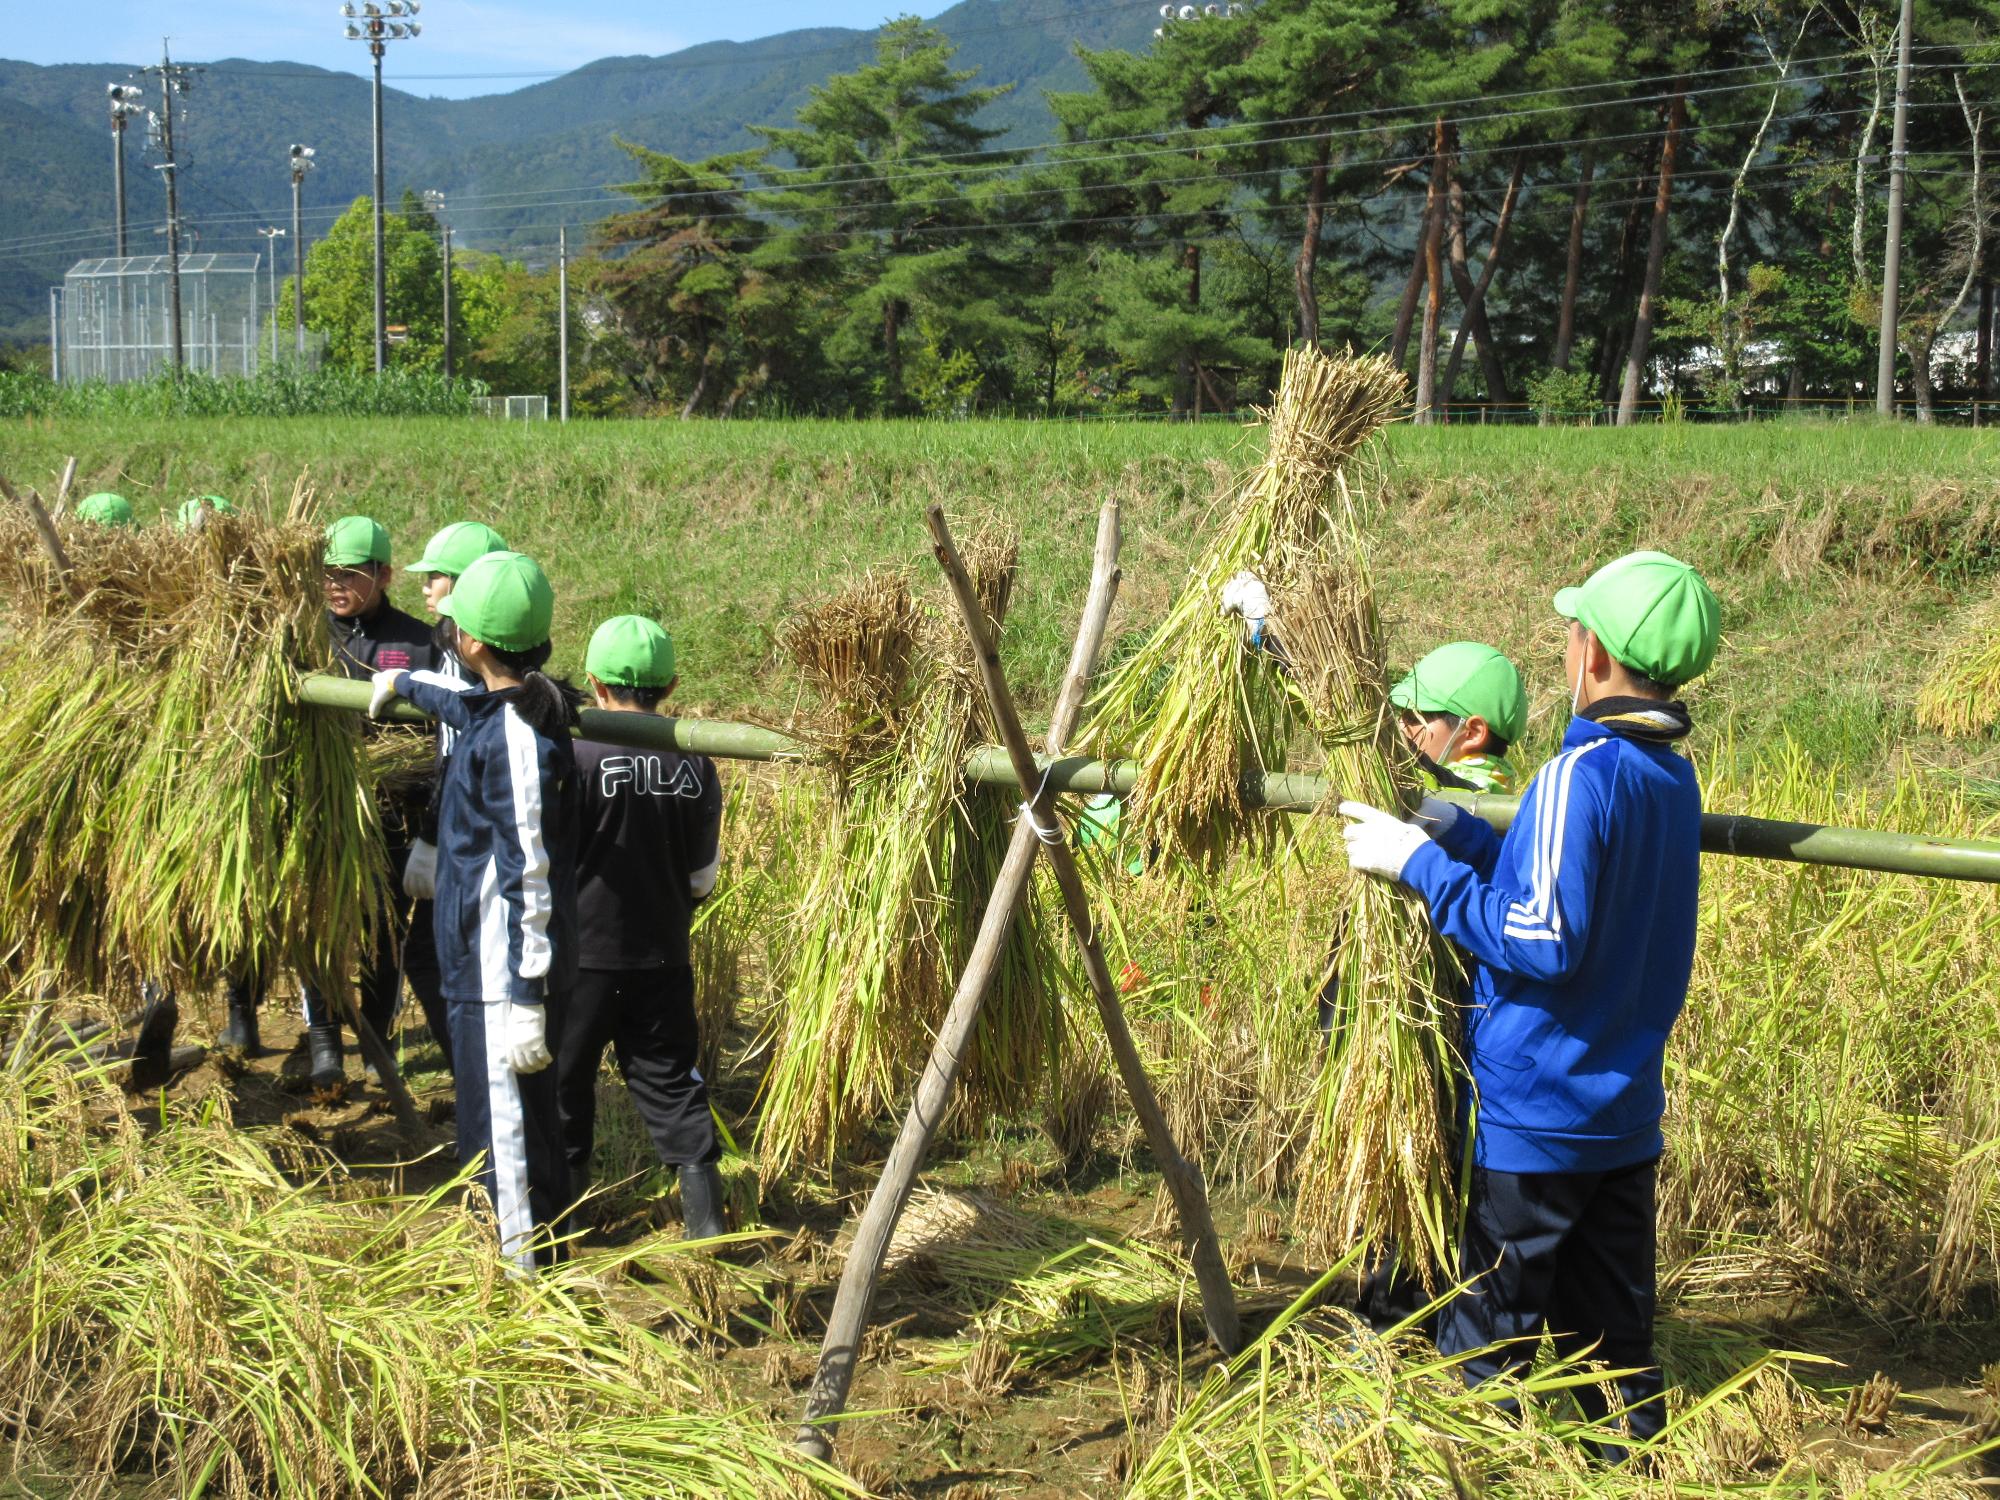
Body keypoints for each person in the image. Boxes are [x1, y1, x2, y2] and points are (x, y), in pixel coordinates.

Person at [1338, 550, 1720, 1462]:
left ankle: (1490, 1469)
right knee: (1612, 1351)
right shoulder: (1671, 781)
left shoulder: (1574, 777)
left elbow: (1541, 936)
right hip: (1621, 1120)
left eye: (1569, 634)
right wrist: (1463, 832)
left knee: (1493, 1338)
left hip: (1535, 1121)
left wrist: (1419, 867)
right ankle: (1625, 1471)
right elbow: (1581, 888)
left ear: (1589, 656)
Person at [368, 551, 579, 1273]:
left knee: (503, 1130)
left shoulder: (520, 740)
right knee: (505, 1122)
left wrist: (525, 994)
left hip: (499, 970)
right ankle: (537, 1247)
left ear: (474, 642)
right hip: (477, 958)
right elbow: (458, 704)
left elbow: (533, 874)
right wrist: (402, 682)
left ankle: (522, 1279)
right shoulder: (502, 707)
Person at [555, 615, 728, 1240]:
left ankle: (560, 1225)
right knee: (672, 1084)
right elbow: (702, 879)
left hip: (579, 959)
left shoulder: (572, 752)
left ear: (594, 684)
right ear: (671, 684)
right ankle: (708, 1227)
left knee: (564, 1085)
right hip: (661, 958)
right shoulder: (695, 760)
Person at [286, 515, 439, 1087]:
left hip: (391, 813)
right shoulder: (302, 636)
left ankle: (376, 1041)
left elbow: (433, 741)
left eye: (351, 574)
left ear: (385, 574)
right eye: (327, 573)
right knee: (319, 921)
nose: (336, 585)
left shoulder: (419, 642)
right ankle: (324, 1040)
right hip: (319, 807)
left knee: (383, 932)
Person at [389, 519, 510, 1075]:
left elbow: (459, 753)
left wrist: (433, 839)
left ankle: (476, 1068)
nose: (424, 588)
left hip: (470, 836)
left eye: (434, 578)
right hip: (475, 831)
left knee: (433, 958)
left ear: (461, 585)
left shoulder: (465, 653)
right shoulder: (455, 645)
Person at [1388, 641, 1528, 796]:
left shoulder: (1481, 794)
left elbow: (1445, 784)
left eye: (1416, 718)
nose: (1401, 726)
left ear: (1473, 732)